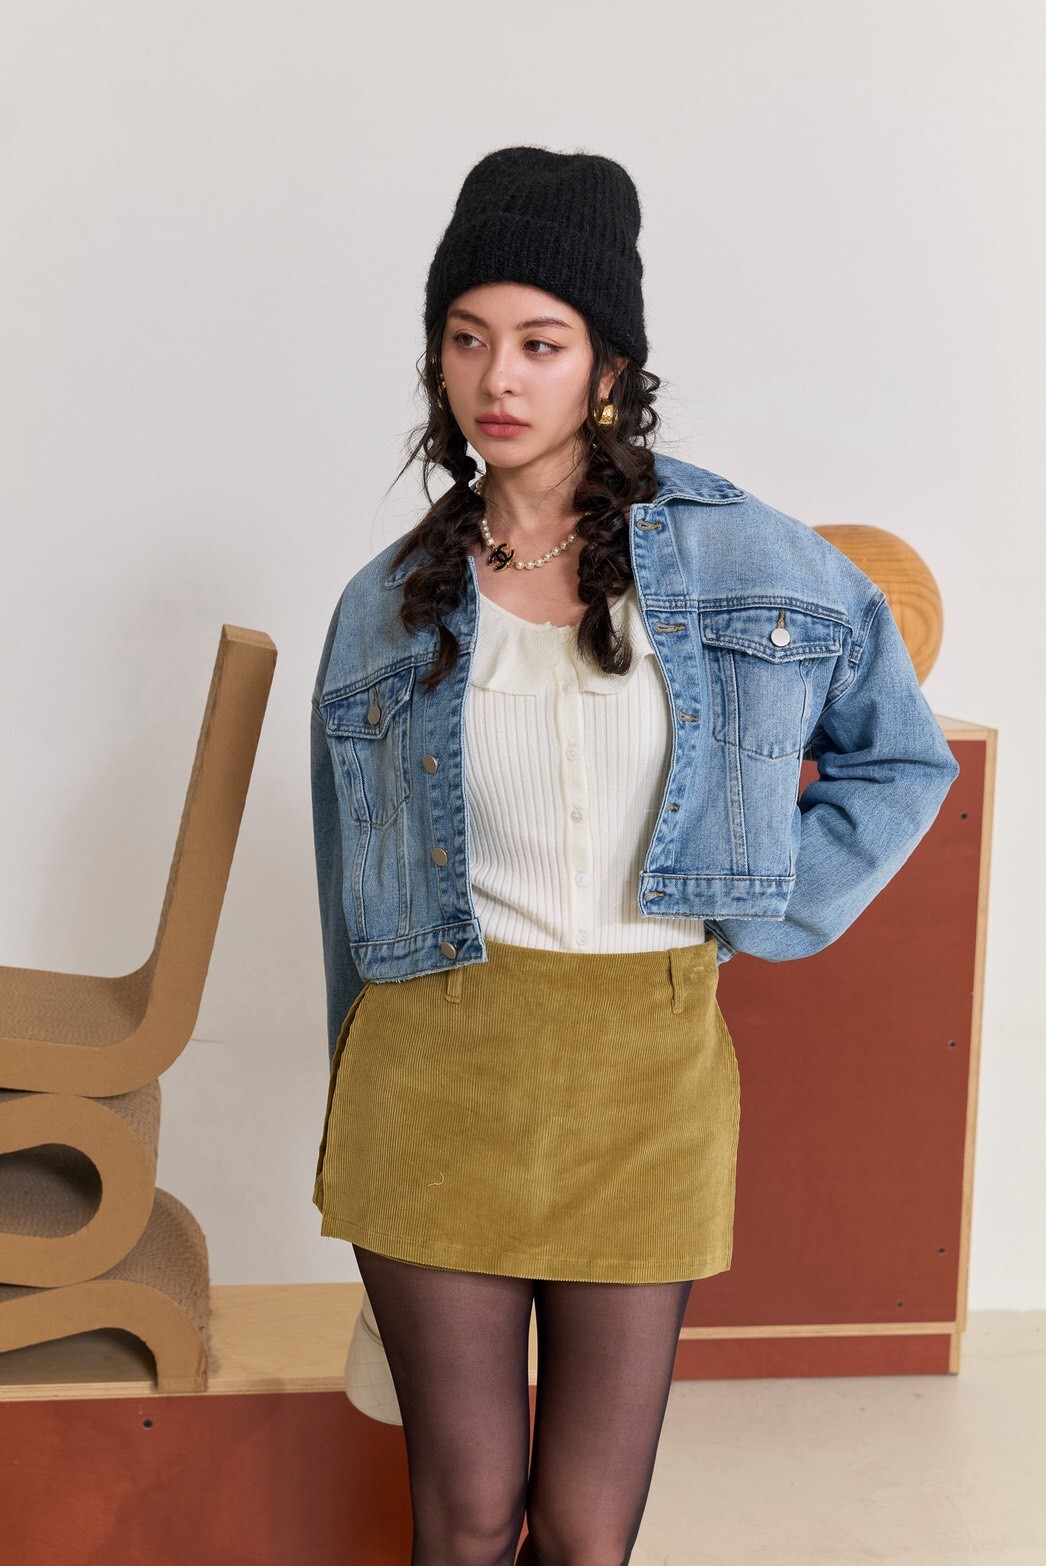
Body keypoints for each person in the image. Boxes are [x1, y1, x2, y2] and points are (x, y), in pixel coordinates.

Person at [310, 145, 960, 1566]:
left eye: (539, 342)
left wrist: (767, 903)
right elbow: (348, 894)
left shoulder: (756, 563)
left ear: (608, 364)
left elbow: (901, 758)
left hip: (647, 1078)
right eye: (466, 338)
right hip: (435, 1073)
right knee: (465, 1519)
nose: (497, 378)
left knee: (587, 1533)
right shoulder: (385, 604)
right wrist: (345, 1087)